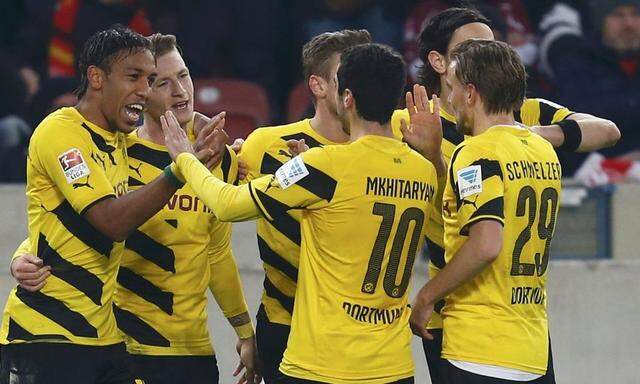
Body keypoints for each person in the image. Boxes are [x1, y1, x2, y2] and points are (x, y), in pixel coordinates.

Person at [162, 43, 441, 383]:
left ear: (348, 98)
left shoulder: (323, 167)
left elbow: (226, 204)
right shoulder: (422, 168)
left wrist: (184, 159)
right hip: (392, 366)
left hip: (321, 364)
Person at [9, 33, 259, 384]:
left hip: (175, 348)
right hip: (101, 340)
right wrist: (21, 255)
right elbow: (87, 220)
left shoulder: (216, 159)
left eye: (183, 76)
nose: (178, 91)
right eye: (157, 81)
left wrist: (244, 330)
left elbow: (217, 253)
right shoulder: (110, 146)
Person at [389, 7, 620, 383]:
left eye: (490, 45)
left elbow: (608, 131)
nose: (484, 54)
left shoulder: (518, 118)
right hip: (491, 313)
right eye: (471, 48)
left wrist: (524, 133)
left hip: (482, 322)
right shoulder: (414, 121)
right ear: (438, 62)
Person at [410, 38, 561, 383]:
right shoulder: (541, 150)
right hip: (532, 347)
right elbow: (485, 199)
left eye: (451, 88)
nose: (449, 99)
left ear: (471, 93)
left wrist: (426, 296)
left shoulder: (476, 151)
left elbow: (486, 243)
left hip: (480, 349)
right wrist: (436, 159)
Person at [237, 29, 371, 383]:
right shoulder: (265, 145)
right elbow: (219, 209)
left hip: (357, 332)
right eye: (346, 76)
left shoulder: (386, 148)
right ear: (317, 85)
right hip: (284, 325)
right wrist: (244, 332)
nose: (356, 88)